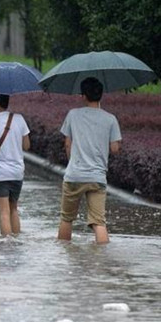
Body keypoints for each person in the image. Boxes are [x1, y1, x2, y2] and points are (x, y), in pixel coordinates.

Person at [57, 77, 122, 244]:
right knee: (99, 222)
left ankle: (63, 254)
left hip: (74, 175)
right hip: (97, 177)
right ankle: (101, 258)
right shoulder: (111, 119)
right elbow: (115, 149)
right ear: (101, 95)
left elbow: (67, 144)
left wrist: (74, 161)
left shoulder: (73, 114)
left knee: (66, 219)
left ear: (83, 96)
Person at [0, 93, 30, 237]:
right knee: (13, 208)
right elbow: (26, 145)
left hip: (0, 173)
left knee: (3, 212)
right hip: (17, 172)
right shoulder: (19, 119)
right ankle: (16, 240)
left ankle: (6, 244)